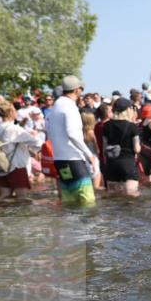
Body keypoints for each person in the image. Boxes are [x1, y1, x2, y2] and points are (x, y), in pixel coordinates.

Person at [46, 76, 98, 206]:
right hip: (74, 159)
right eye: (81, 88)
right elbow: (72, 134)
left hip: (60, 160)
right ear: (77, 90)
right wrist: (89, 154)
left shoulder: (56, 106)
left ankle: (71, 227)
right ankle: (89, 227)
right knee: (88, 202)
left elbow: (49, 132)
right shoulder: (70, 106)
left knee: (70, 201)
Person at [0, 101, 41, 199]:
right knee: (22, 198)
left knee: (4, 196)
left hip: (1, 165)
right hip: (16, 165)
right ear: (11, 112)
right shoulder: (15, 129)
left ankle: (5, 214)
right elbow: (36, 143)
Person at [102, 98, 141, 196]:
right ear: (128, 110)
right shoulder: (132, 126)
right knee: (132, 197)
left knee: (114, 198)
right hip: (128, 164)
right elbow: (137, 149)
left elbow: (104, 147)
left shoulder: (106, 126)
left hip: (111, 165)